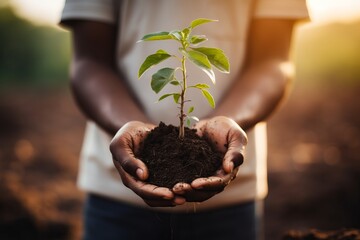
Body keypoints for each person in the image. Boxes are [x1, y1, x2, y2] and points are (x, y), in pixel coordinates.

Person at [60, 0, 308, 239]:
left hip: (232, 200)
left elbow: (273, 61)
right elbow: (89, 61)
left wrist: (229, 120)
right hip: (114, 197)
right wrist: (129, 128)